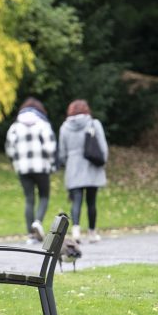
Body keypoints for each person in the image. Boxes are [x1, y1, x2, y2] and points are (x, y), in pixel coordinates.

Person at [5, 97, 58, 243]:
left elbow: (10, 149)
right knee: (44, 196)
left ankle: (30, 234)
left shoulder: (15, 126)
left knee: (29, 199)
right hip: (41, 167)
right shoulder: (43, 125)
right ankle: (38, 222)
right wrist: (53, 165)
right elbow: (50, 148)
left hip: (23, 168)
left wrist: (16, 162)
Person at [57, 99, 108, 242]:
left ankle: (76, 231)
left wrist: (67, 163)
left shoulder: (64, 127)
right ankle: (92, 233)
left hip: (73, 166)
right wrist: (102, 161)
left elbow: (62, 152)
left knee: (76, 201)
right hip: (92, 165)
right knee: (91, 201)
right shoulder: (94, 124)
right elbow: (103, 147)